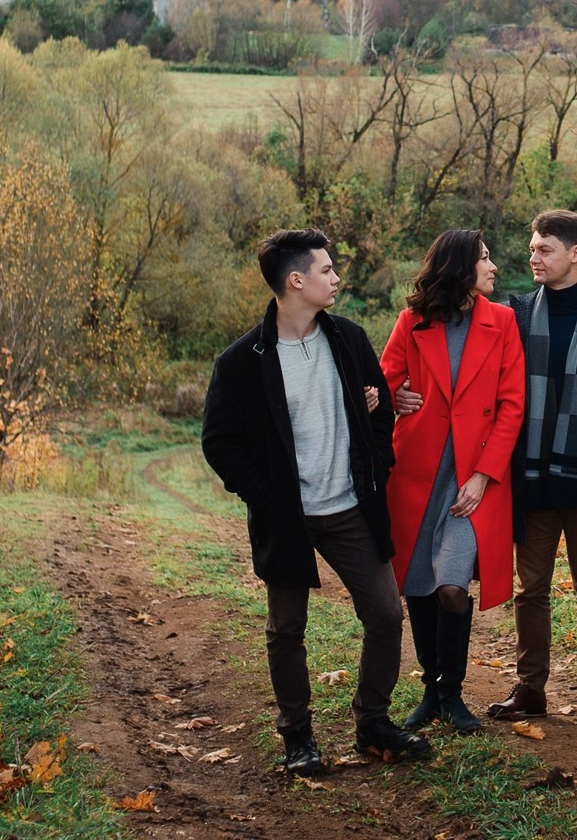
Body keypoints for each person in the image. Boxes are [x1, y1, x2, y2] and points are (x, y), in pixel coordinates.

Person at [401, 209, 577, 730]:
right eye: (531, 248)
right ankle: (531, 688)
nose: (532, 257)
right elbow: (456, 343)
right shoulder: (512, 311)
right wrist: (397, 392)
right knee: (530, 586)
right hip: (527, 469)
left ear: (575, 254)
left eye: (543, 249)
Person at [200, 228, 432, 776]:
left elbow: (378, 410)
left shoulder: (349, 339)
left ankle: (372, 722)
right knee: (286, 630)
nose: (336, 278)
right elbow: (219, 442)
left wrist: (376, 467)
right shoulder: (242, 361)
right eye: (327, 270)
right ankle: (297, 737)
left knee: (383, 613)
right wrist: (267, 496)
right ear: (296, 280)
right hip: (287, 517)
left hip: (350, 507)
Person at [379, 229, 526, 736]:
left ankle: (452, 692)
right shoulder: (411, 322)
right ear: (461, 268)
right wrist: (396, 395)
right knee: (419, 585)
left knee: (450, 586)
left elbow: (512, 404)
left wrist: (485, 475)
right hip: (417, 471)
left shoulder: (503, 321)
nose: (493, 267)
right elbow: (381, 380)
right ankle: (431, 695)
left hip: (473, 477)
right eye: (485, 259)